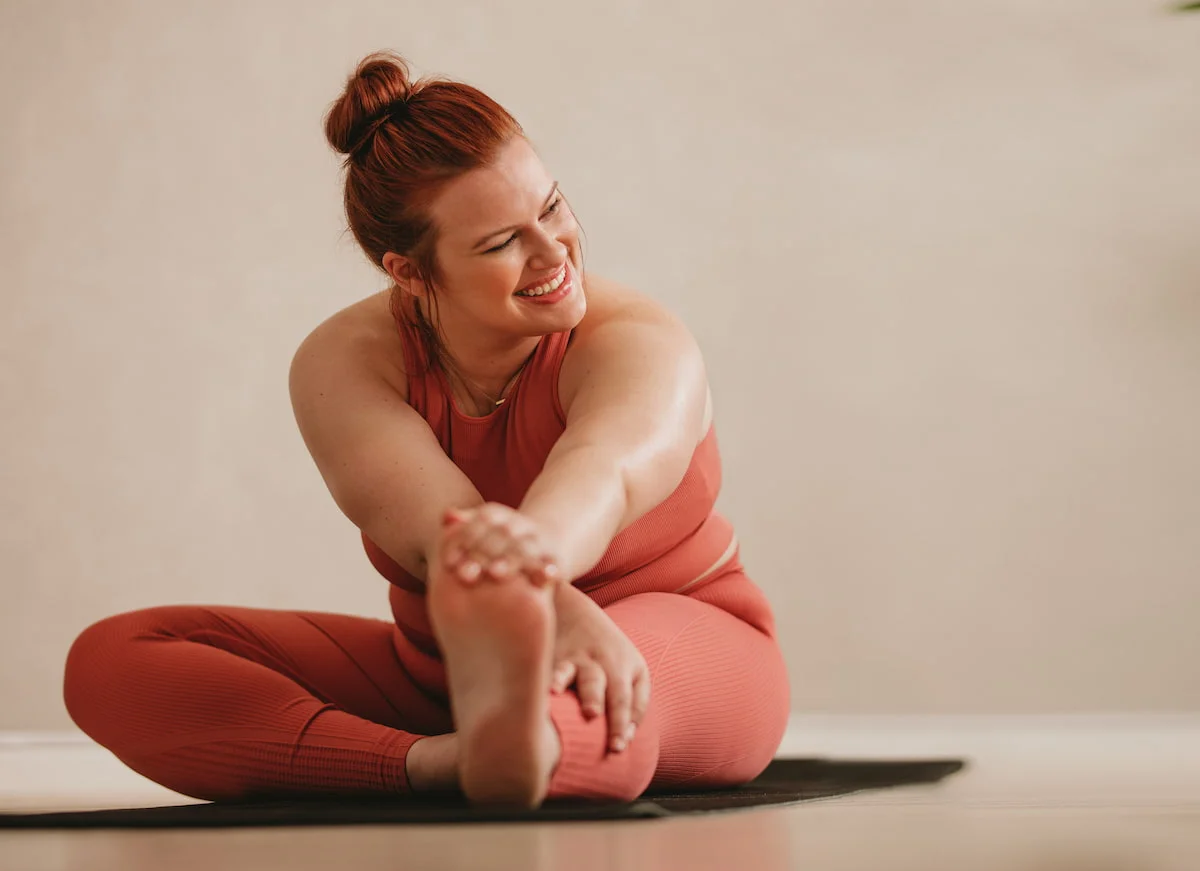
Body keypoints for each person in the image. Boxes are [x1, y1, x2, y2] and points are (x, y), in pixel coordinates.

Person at [62, 50, 790, 808]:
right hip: (443, 668)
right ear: (408, 271)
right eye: (501, 242)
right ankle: (438, 761)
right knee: (115, 659)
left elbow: (602, 473)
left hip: (685, 641)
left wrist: (537, 586)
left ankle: (526, 740)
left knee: (602, 696)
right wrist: (532, 610)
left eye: (551, 207)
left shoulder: (640, 337)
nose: (554, 253)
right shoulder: (344, 360)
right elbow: (440, 532)